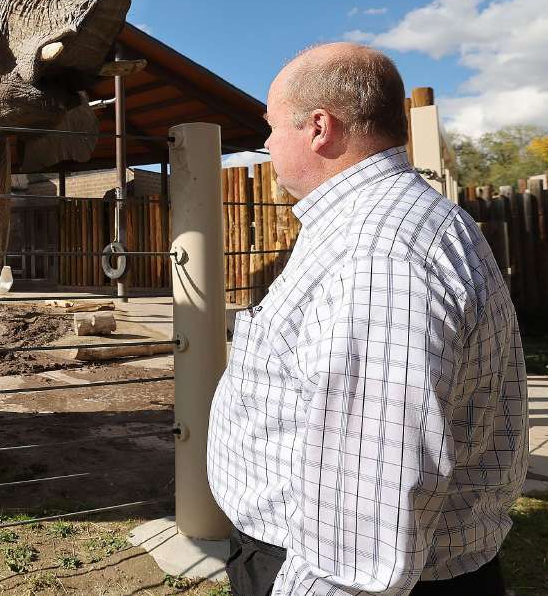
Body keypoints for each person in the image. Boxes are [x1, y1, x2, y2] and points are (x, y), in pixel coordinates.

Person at [207, 42, 528, 596]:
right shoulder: (394, 223)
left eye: (271, 126)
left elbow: (365, 516)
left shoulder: (377, 254)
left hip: (323, 567)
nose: (265, 143)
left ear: (319, 128)